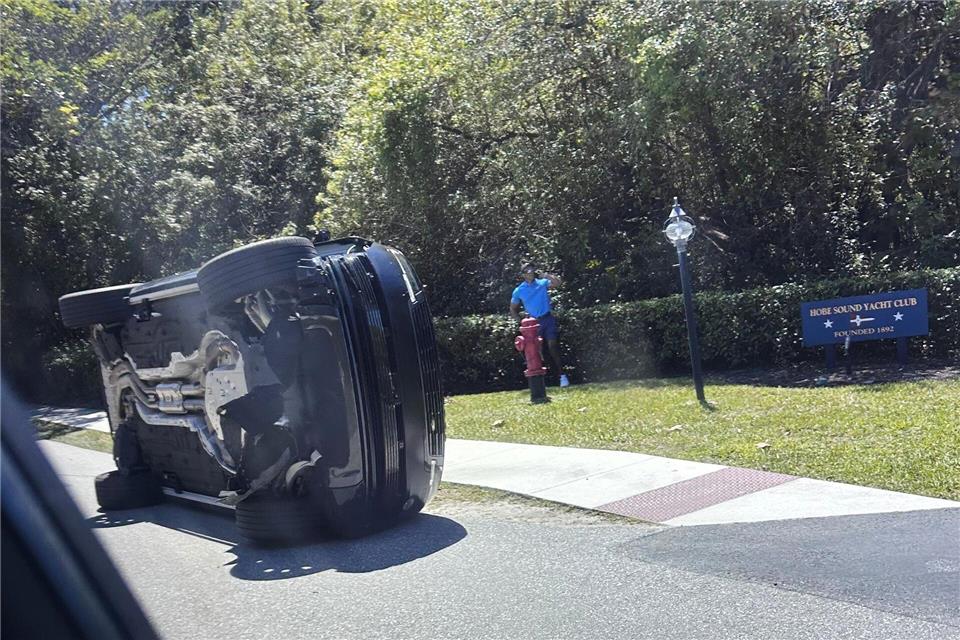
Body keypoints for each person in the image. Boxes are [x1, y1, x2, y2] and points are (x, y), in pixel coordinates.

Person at [509, 263, 570, 387]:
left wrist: (546, 275)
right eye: (526, 270)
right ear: (523, 274)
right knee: (539, 352)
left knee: (552, 346)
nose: (530, 272)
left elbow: (558, 283)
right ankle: (548, 378)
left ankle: (562, 375)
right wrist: (521, 322)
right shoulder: (519, 290)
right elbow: (513, 309)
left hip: (547, 319)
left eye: (531, 269)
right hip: (533, 324)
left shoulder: (542, 283)